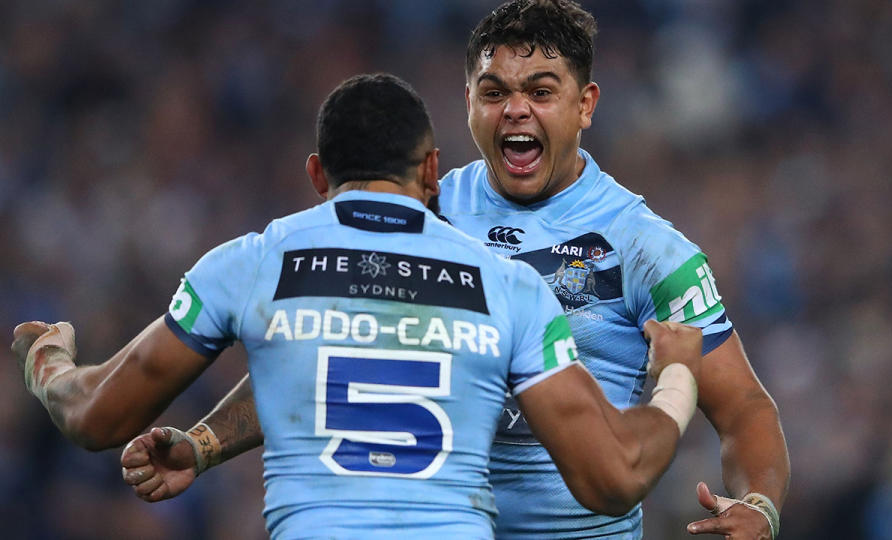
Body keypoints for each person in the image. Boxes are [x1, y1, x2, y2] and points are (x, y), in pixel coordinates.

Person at [122, 1, 790, 538]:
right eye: (494, 91)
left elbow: (744, 407)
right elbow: (325, 343)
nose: (516, 110)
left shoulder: (646, 248)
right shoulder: (424, 211)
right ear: (467, 101)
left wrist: (759, 503)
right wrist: (206, 443)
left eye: (541, 91)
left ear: (585, 105)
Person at [13, 73, 707, 539]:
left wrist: (49, 356)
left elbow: (96, 415)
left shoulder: (252, 262)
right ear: (433, 170)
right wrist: (675, 376)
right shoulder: (507, 288)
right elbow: (614, 480)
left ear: (317, 173)